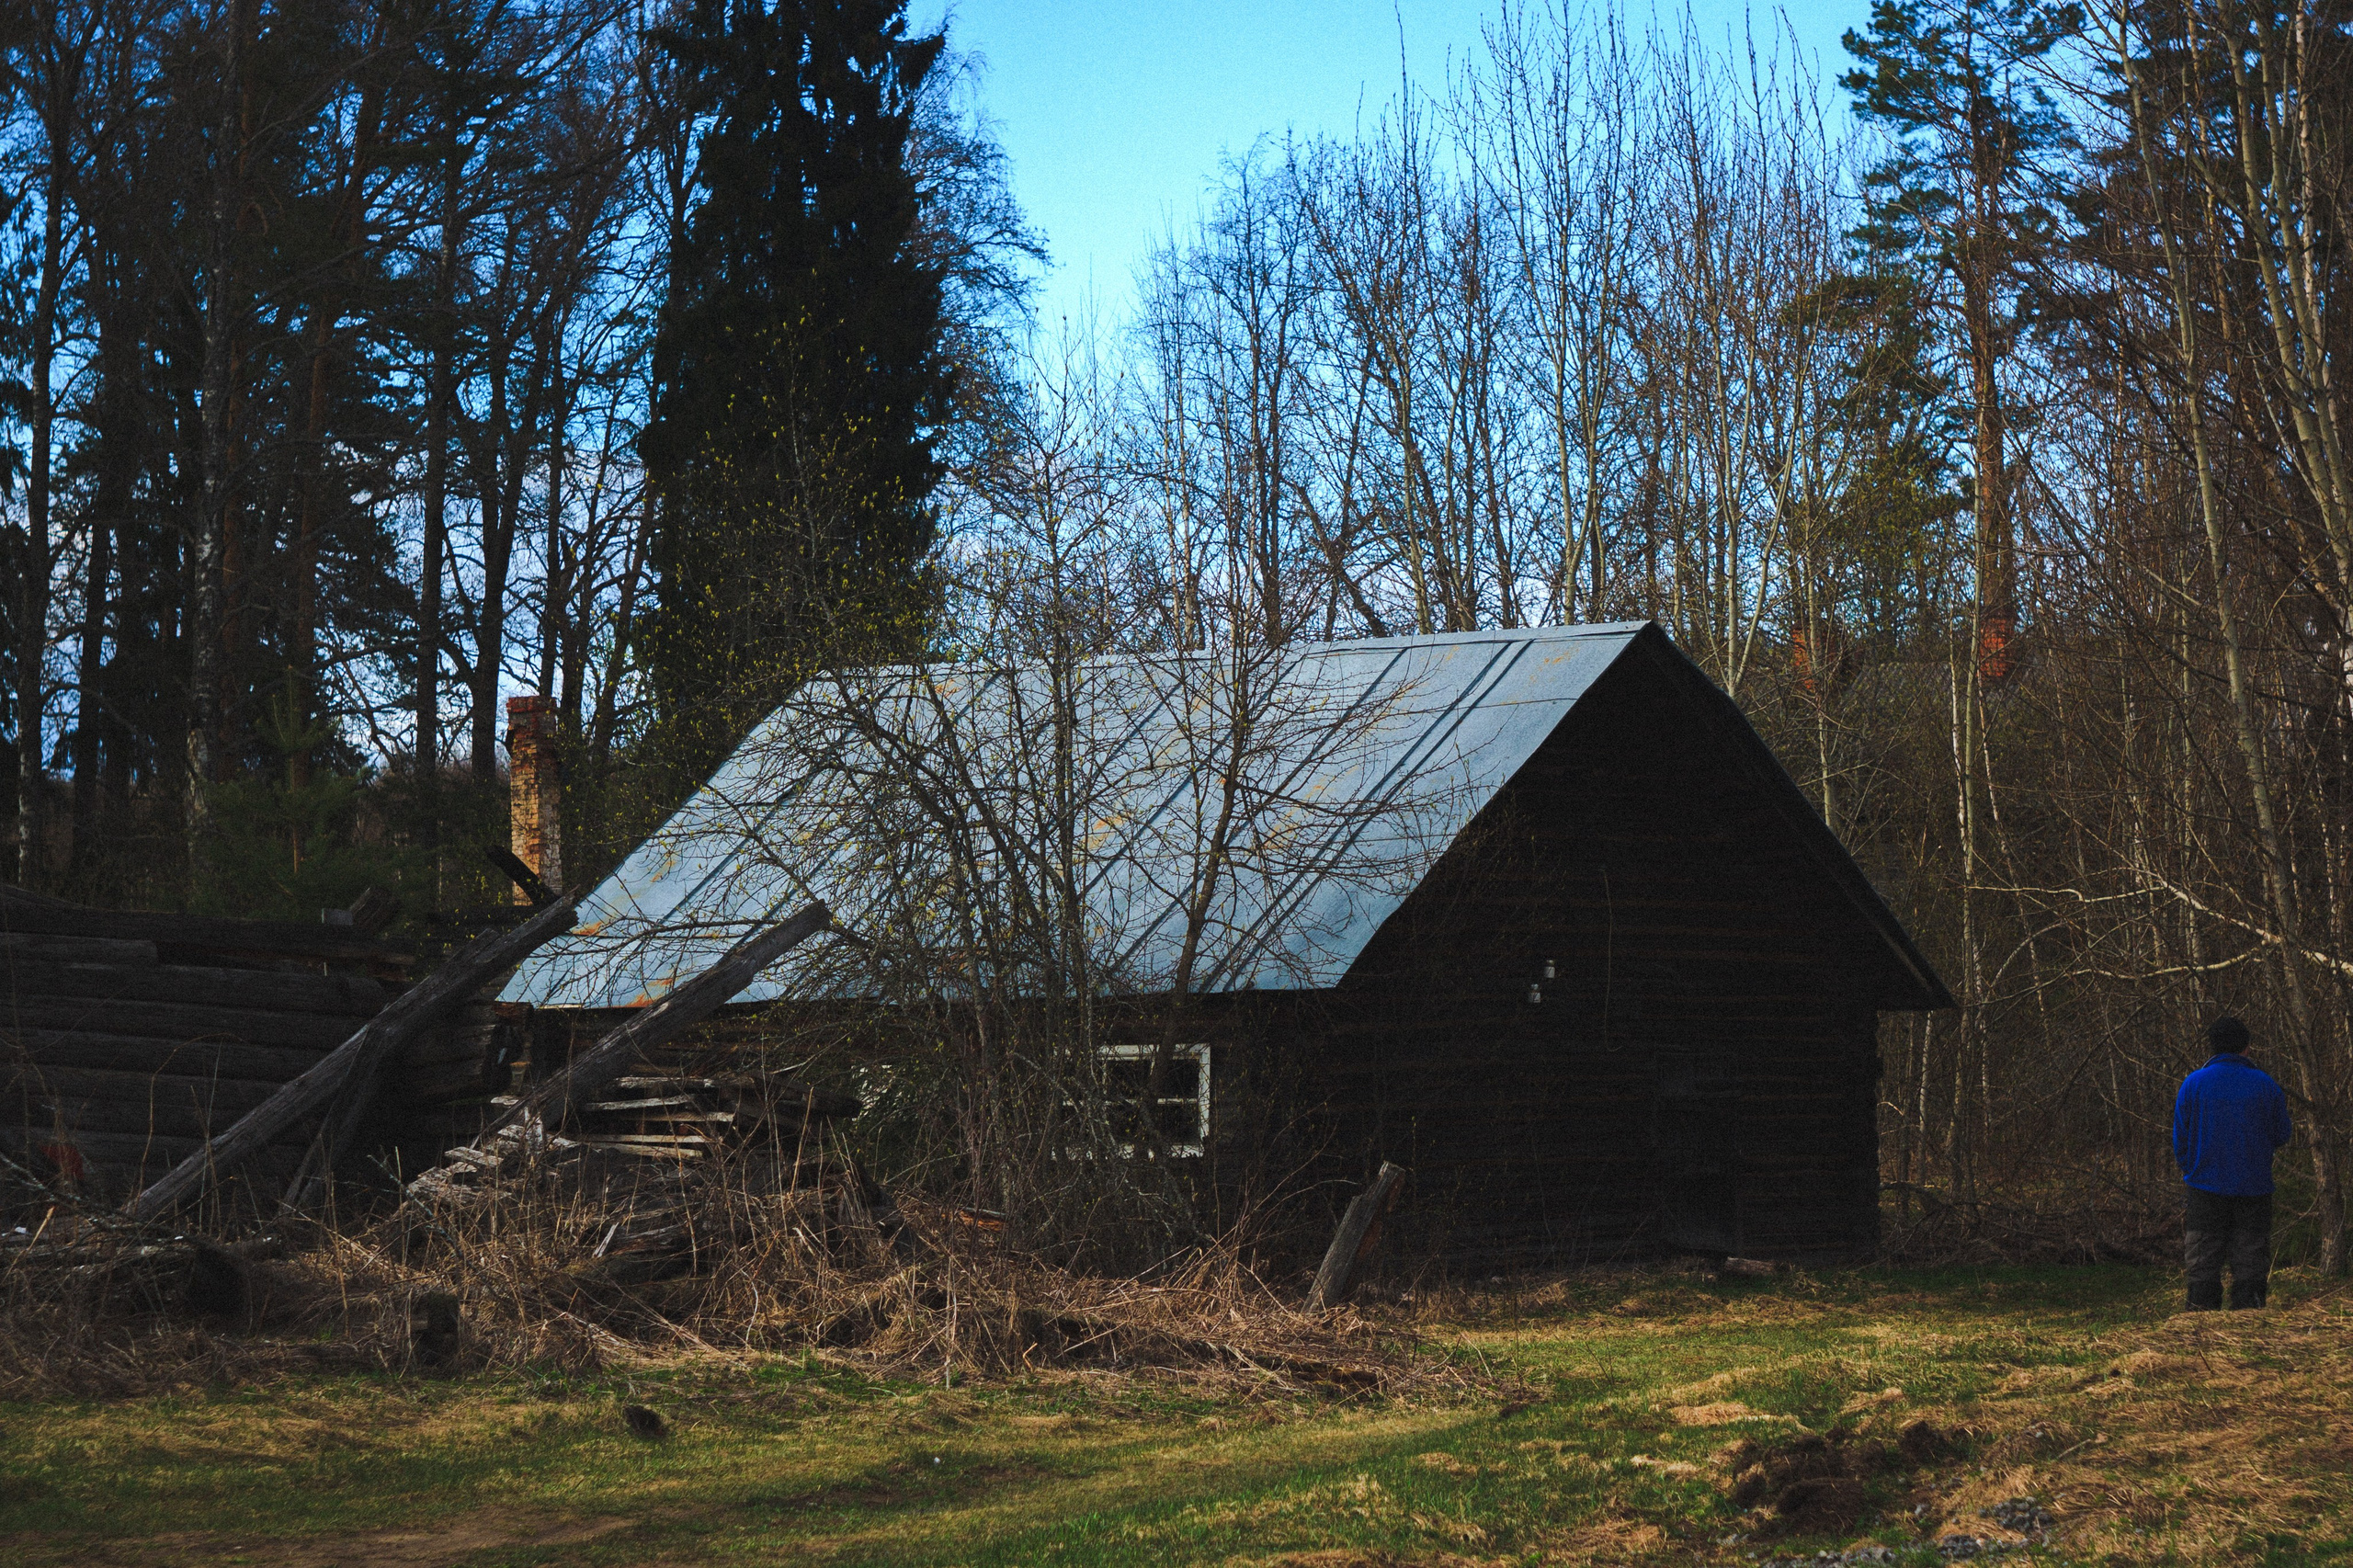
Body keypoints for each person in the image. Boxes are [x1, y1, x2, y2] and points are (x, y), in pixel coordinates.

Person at [2172, 1017, 2292, 1310]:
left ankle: (2199, 1329)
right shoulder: (2266, 1085)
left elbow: (2181, 1140)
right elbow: (2281, 1134)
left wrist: (2193, 1170)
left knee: (2202, 1262)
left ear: (2211, 1047)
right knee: (2251, 1263)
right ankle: (2248, 1325)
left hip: (2205, 1187)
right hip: (2254, 1188)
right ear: (2247, 1047)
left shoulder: (2193, 1084)